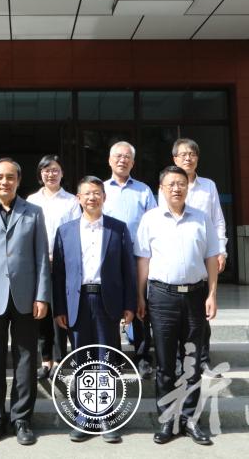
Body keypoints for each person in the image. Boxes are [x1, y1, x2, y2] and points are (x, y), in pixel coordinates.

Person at [0, 158, 51, 446]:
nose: (5, 182)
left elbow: (42, 257)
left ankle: (21, 418)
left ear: (18, 180)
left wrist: (42, 295)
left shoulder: (33, 212)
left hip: (26, 296)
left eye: (10, 177)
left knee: (26, 359)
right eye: (0, 177)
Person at [136, 166, 219, 446]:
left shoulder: (201, 218)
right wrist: (139, 297)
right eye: (171, 184)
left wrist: (212, 294)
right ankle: (167, 420)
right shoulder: (150, 219)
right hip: (162, 297)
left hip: (195, 296)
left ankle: (190, 419)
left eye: (181, 183)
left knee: (192, 362)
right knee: (165, 364)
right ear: (161, 188)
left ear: (187, 187)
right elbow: (143, 260)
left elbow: (211, 257)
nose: (176, 188)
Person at [52, 176, 137, 444]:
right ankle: (83, 416)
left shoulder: (118, 228)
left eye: (97, 193)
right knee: (81, 360)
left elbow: (128, 270)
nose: (92, 197)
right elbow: (59, 274)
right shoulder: (65, 231)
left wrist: (129, 304)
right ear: (78, 198)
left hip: (106, 301)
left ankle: (106, 417)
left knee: (107, 360)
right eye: (87, 193)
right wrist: (60, 308)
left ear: (104, 197)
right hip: (77, 302)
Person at [172, 138, 228, 375]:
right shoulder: (169, 184)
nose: (188, 158)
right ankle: (179, 359)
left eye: (192, 154)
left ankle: (203, 359)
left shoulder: (208, 186)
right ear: (175, 159)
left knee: (202, 310)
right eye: (183, 154)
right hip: (177, 255)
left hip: (205, 255)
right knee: (177, 314)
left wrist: (221, 250)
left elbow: (218, 220)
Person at [102, 141, 157, 378]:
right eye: (118, 156)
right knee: (111, 307)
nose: (122, 160)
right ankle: (114, 358)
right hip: (109, 259)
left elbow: (154, 223)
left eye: (127, 157)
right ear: (109, 160)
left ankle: (143, 357)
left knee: (140, 307)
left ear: (133, 162)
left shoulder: (144, 190)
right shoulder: (100, 189)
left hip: (138, 258)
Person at [25, 154, 80, 380]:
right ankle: (45, 359)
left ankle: (59, 359)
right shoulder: (31, 200)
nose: (51, 174)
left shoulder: (71, 201)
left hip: (62, 264)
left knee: (59, 312)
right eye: (46, 170)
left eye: (55, 169)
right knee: (41, 313)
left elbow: (76, 231)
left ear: (62, 173)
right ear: (40, 174)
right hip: (38, 264)